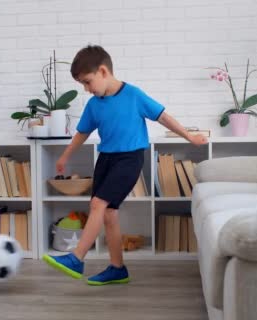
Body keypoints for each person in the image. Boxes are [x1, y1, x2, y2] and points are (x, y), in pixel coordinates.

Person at [42, 45, 208, 285]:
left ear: (103, 71)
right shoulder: (94, 105)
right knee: (108, 213)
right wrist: (65, 156)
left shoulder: (134, 95)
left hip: (129, 159)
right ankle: (117, 268)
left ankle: (76, 258)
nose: (87, 90)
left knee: (99, 204)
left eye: (88, 82)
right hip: (105, 160)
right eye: (83, 85)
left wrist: (189, 136)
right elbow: (82, 133)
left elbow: (163, 116)